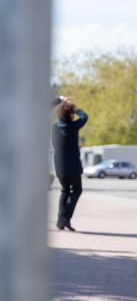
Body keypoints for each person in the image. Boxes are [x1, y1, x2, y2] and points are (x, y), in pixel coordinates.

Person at [52, 96, 88, 231]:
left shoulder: (54, 127)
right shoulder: (74, 125)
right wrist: (73, 107)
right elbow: (85, 117)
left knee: (65, 191)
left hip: (59, 164)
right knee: (77, 190)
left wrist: (59, 100)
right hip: (73, 164)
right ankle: (64, 218)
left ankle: (62, 220)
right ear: (71, 112)